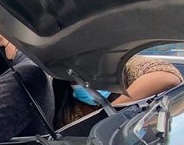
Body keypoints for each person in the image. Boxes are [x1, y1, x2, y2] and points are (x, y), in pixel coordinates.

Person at [54, 55, 183, 128]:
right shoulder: (60, 99)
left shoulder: (125, 66)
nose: (86, 83)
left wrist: (110, 116)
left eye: (92, 75)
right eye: (75, 80)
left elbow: (167, 78)